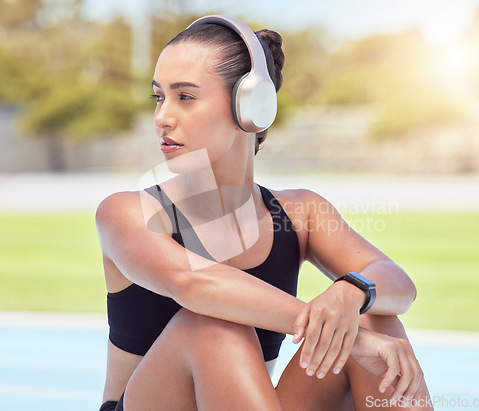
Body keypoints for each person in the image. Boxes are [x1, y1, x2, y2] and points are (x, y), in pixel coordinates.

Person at [96, 15, 432, 410]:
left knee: (373, 316)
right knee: (214, 324)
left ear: (251, 106)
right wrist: (347, 334)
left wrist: (350, 294)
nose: (162, 117)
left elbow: (399, 286)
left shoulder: (299, 211)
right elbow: (195, 285)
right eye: (159, 97)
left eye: (184, 97)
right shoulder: (127, 211)